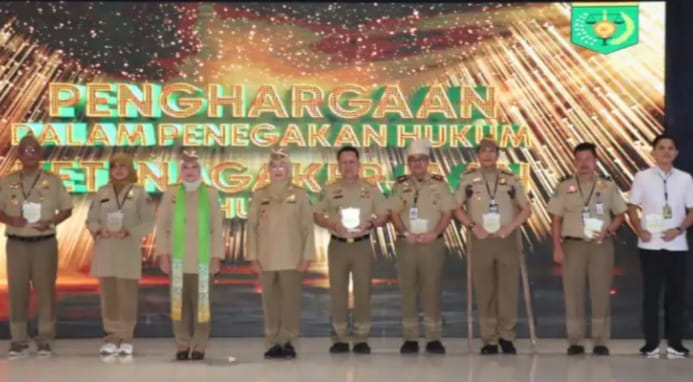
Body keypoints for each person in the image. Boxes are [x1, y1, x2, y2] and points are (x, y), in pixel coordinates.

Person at [453, 137, 532, 355]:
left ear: (498, 154)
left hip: (506, 240)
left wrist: (511, 227)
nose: (487, 155)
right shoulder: (468, 179)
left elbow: (526, 209)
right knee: (485, 291)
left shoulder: (510, 179)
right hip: (480, 241)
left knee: (508, 290)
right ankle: (489, 339)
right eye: (483, 151)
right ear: (478, 155)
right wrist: (471, 226)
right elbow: (455, 207)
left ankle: (507, 336)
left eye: (492, 151)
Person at [547, 142, 627, 356]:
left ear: (595, 161)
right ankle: (575, 340)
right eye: (579, 159)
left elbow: (620, 214)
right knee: (573, 294)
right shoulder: (564, 186)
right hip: (573, 245)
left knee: (601, 292)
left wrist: (608, 231)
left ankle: (600, 340)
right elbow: (555, 219)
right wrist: (557, 247)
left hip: (601, 246)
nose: (583, 163)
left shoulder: (607, 186)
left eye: (588, 159)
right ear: (574, 162)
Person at [0, 134, 73, 358]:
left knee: (45, 291)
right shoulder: (7, 180)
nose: (30, 154)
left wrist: (50, 222)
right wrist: (9, 220)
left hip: (44, 243)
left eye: (34, 150)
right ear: (19, 155)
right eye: (26, 150)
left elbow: (67, 209)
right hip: (17, 243)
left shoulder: (52, 181)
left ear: (41, 154)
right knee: (17, 292)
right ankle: (18, 340)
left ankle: (45, 339)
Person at [313, 146, 389, 355]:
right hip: (338, 244)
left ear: (359, 164)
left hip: (362, 244)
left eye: (352, 162)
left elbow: (384, 215)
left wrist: (371, 224)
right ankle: (340, 337)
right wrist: (332, 225)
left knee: (363, 291)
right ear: (338, 165)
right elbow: (317, 214)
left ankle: (361, 337)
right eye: (344, 162)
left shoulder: (371, 188)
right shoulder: (329, 189)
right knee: (338, 292)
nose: (348, 166)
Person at [628, 134, 693, 359]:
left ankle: (675, 344)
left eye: (670, 148)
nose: (666, 152)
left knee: (676, 296)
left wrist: (679, 229)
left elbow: (692, 210)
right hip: (650, 246)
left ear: (676, 153)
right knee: (651, 296)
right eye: (661, 148)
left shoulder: (685, 179)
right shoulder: (642, 177)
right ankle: (651, 344)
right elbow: (632, 208)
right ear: (653, 153)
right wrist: (640, 230)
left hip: (677, 245)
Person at [247, 149, 316, 359]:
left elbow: (308, 228)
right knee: (270, 302)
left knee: (290, 302)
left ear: (289, 170)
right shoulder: (259, 195)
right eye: (274, 167)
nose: (278, 171)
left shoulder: (301, 195)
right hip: (266, 259)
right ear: (268, 170)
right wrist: (252, 256)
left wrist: (307, 257)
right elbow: (252, 227)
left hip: (292, 259)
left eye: (283, 167)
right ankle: (272, 341)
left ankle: (288, 341)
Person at [389, 138, 456, 355]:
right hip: (407, 245)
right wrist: (404, 232)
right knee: (408, 291)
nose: (417, 163)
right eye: (413, 160)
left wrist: (435, 233)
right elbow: (394, 213)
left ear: (428, 161)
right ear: (408, 163)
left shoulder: (440, 185)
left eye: (421, 159)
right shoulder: (399, 186)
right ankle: (410, 338)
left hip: (431, 245)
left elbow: (448, 213)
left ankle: (433, 337)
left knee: (432, 290)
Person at [86, 152, 156, 357]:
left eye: (123, 166)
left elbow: (148, 222)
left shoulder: (140, 193)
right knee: (108, 297)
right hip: (106, 250)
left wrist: (130, 232)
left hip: (127, 251)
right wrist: (100, 230)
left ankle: (126, 337)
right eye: (114, 166)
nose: (118, 170)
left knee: (127, 296)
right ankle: (111, 337)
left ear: (130, 169)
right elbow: (90, 220)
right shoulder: (102, 192)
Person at [156, 151, 224, 361]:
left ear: (200, 170)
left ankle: (200, 345)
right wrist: (163, 254)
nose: (190, 172)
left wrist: (216, 256)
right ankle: (183, 344)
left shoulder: (211, 194)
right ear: (180, 171)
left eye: (194, 167)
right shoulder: (172, 193)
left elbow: (216, 228)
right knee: (179, 305)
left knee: (202, 305)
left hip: (202, 259)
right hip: (178, 259)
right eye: (185, 168)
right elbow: (163, 227)